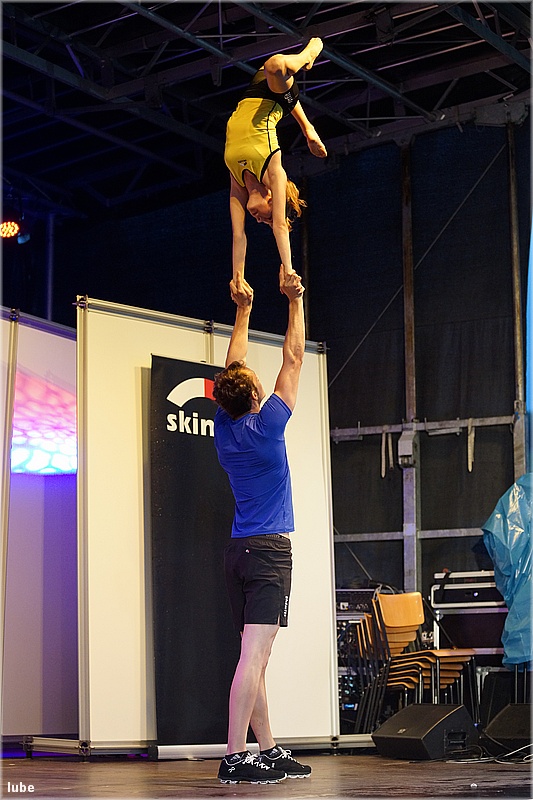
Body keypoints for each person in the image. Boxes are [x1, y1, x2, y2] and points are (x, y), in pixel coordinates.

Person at [212, 269, 310, 784]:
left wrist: (244, 310)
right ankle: (234, 756)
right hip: (268, 554)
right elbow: (293, 358)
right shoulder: (267, 426)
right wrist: (295, 300)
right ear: (255, 395)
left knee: (256, 658)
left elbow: (233, 369)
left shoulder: (224, 429)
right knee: (253, 660)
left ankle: (267, 750)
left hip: (239, 554)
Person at [224, 38, 327, 294]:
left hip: (266, 92)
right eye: (267, 217)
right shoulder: (274, 171)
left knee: (275, 72)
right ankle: (308, 55)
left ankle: (308, 128)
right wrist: (289, 271)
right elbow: (281, 226)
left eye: (263, 221)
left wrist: (238, 277)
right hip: (275, 93)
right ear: (272, 198)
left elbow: (238, 235)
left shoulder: (237, 181)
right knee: (275, 66)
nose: (259, 220)